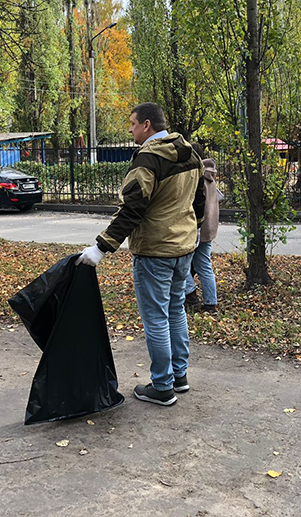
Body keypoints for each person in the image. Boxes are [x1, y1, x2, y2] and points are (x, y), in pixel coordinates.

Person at [76, 103, 205, 407]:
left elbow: (132, 208)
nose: (130, 129)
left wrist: (100, 248)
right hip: (184, 247)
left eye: (132, 124)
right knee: (175, 311)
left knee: (157, 319)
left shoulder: (148, 159)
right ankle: (179, 376)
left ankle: (162, 387)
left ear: (147, 125)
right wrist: (191, 230)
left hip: (155, 251)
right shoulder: (192, 153)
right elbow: (200, 201)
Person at [184, 143, 219, 314]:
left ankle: (190, 295)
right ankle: (211, 304)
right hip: (209, 228)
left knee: (181, 264)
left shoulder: (197, 175)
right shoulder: (210, 174)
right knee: (204, 265)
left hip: (195, 227)